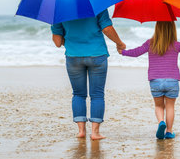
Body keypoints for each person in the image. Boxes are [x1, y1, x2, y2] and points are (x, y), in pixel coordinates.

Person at [120, 21, 180, 139]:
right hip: (172, 80)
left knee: (159, 106)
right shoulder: (176, 45)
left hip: (155, 80)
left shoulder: (150, 44)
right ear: (172, 30)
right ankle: (169, 132)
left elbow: (136, 52)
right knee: (170, 106)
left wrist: (123, 52)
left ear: (157, 28)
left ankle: (161, 122)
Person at [51, 9, 126, 140]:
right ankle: (95, 133)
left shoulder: (59, 10)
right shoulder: (97, 5)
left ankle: (81, 131)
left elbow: (57, 42)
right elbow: (107, 29)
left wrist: (70, 41)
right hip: (97, 54)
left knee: (78, 94)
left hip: (73, 56)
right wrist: (119, 43)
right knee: (97, 95)